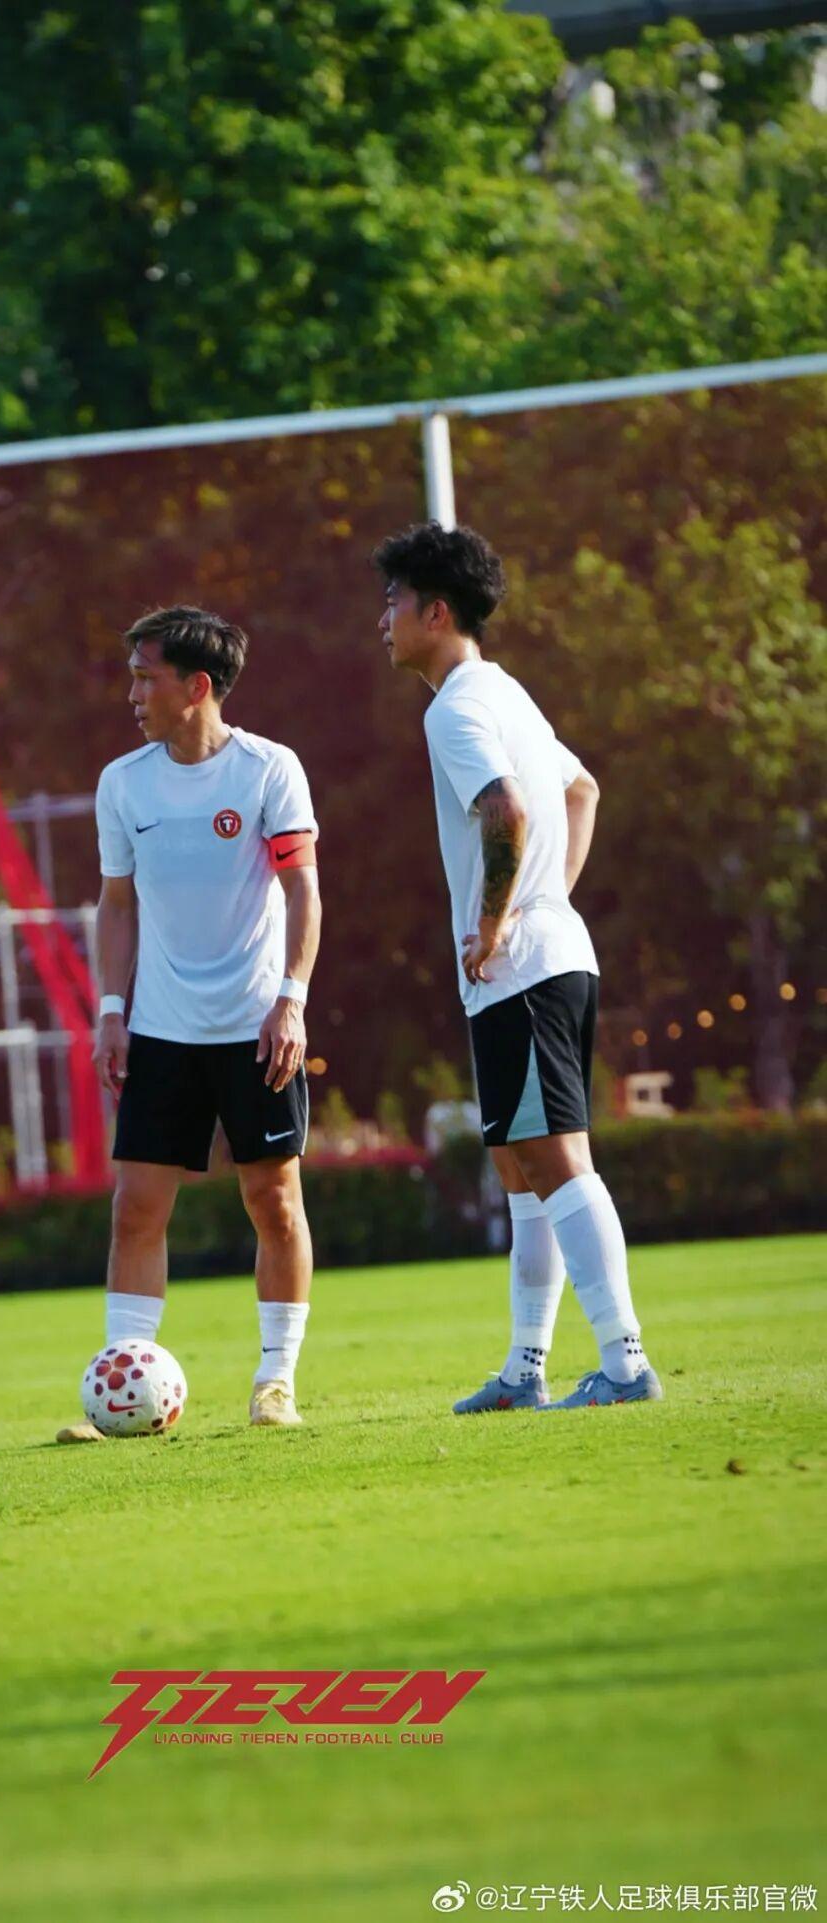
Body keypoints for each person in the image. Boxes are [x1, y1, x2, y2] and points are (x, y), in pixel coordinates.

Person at [374, 521, 661, 1412]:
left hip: (526, 966)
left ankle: (625, 1365)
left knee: (557, 1159)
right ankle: (524, 1371)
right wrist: (548, 899)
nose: (382, 620)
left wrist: (504, 916)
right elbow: (582, 789)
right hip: (540, 956)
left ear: (436, 612)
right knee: (518, 1167)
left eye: (392, 602)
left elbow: (507, 810)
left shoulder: (455, 707)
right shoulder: (506, 692)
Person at [56, 604, 321, 1440]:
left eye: (146, 677)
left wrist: (291, 999)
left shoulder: (269, 770)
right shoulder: (122, 783)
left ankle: (275, 1382)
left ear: (196, 685)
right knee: (136, 1209)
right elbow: (117, 903)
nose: (132, 693)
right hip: (162, 1031)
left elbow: (303, 890)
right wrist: (111, 1012)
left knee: (274, 1200)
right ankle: (120, 1388)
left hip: (256, 1026)